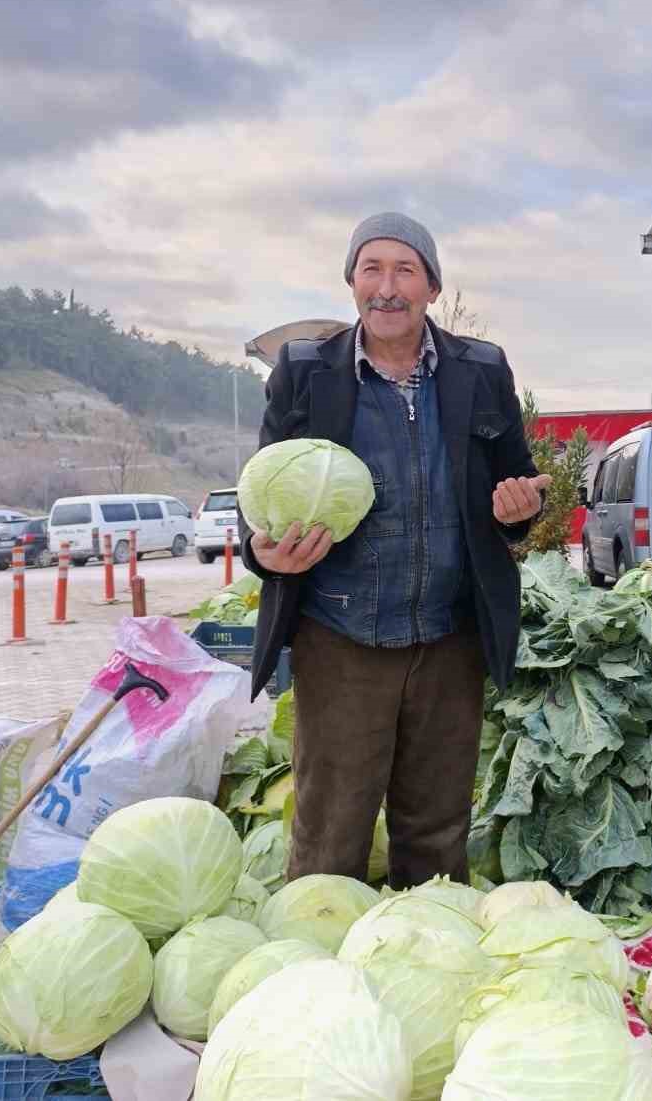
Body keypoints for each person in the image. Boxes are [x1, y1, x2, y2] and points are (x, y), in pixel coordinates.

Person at [241, 211, 549, 888]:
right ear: (351, 282)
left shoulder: (481, 369)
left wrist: (519, 512)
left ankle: (430, 964)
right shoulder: (303, 372)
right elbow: (261, 494)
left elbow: (516, 485)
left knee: (436, 834)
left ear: (432, 287)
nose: (387, 286)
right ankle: (320, 971)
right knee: (330, 833)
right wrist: (267, 555)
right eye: (371, 269)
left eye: (405, 270)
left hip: (450, 637)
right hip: (342, 638)